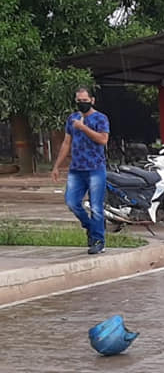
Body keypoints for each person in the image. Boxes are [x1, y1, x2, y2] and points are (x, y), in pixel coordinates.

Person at [51, 86, 110, 255]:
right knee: (72, 202)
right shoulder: (72, 119)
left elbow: (103, 139)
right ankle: (91, 227)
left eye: (85, 101)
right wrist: (57, 166)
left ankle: (98, 241)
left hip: (95, 168)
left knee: (96, 207)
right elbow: (66, 143)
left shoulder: (101, 118)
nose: (82, 104)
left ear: (92, 100)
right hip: (76, 169)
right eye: (79, 101)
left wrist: (83, 128)